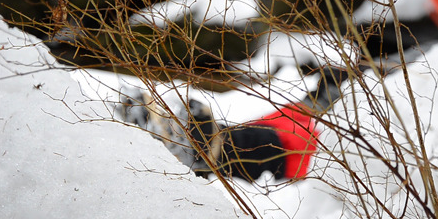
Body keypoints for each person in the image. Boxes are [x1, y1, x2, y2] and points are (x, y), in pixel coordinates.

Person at [119, 68, 345, 182]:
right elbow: (314, 103)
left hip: (289, 154)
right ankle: (179, 135)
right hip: (275, 133)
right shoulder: (316, 110)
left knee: (247, 144)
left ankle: (186, 146)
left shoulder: (349, 133)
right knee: (234, 135)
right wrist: (331, 84)